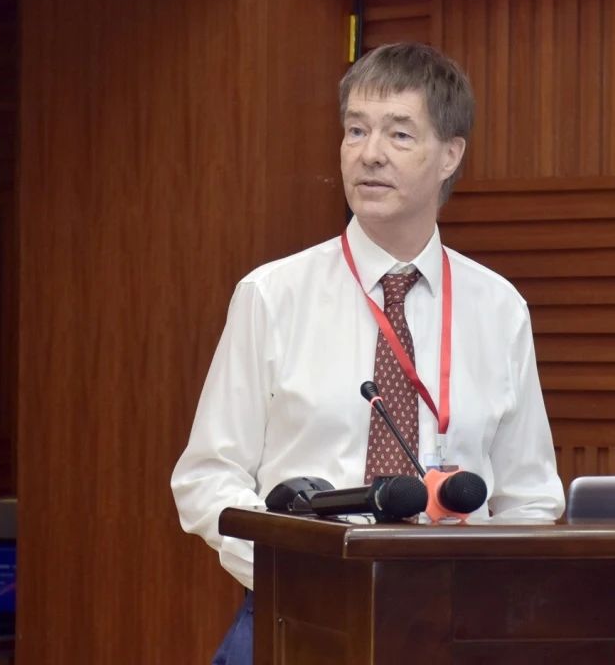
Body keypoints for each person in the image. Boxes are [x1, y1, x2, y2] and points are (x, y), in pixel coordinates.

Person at [171, 42, 565, 664]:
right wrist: (297, 567)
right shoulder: (272, 295)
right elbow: (207, 477)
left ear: (450, 155)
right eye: (356, 130)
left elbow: (531, 498)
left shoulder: (499, 308)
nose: (370, 152)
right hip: (297, 611)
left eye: (399, 134)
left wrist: (487, 595)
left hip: (456, 623)